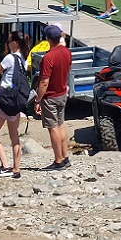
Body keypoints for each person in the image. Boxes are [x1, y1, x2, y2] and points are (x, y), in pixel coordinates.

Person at [0, 30, 26, 177]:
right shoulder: (23, 59)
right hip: (16, 101)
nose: (8, 44)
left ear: (14, 43)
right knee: (14, 136)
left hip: (4, 102)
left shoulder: (10, 57)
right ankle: (16, 169)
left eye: (9, 42)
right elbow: (7, 75)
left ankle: (5, 165)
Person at [34, 23, 72, 170]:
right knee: (61, 124)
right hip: (62, 93)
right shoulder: (67, 52)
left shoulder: (48, 57)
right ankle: (65, 156)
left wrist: (38, 99)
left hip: (50, 96)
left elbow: (44, 82)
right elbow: (69, 69)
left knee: (53, 127)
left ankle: (58, 160)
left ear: (48, 39)